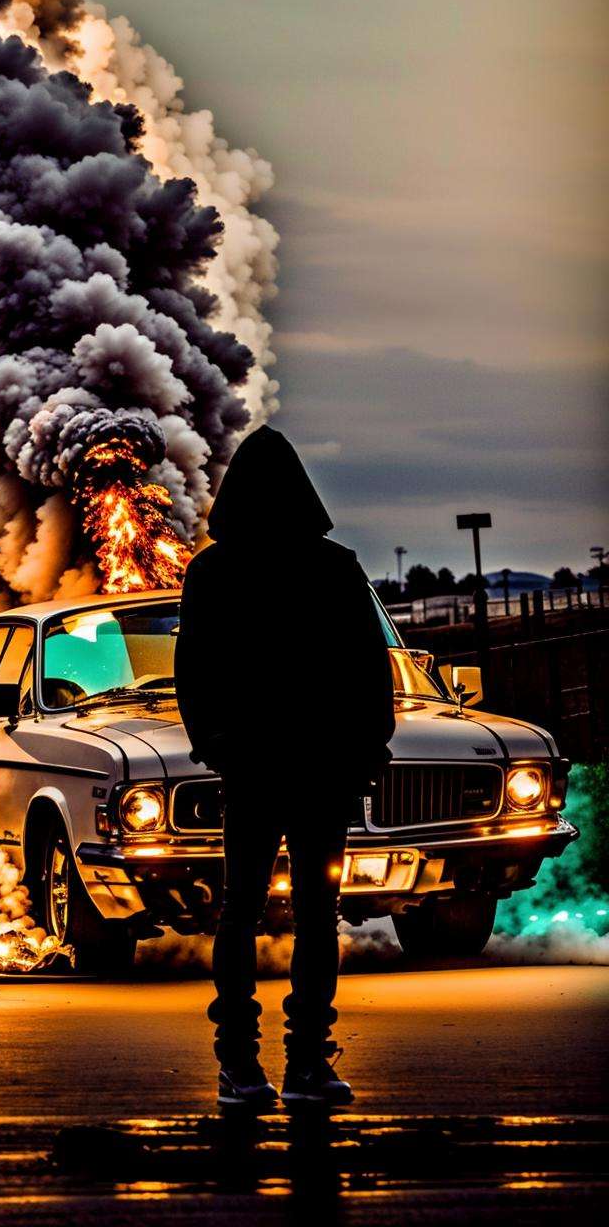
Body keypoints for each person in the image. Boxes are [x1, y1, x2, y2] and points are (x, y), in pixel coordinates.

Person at [174, 426, 394, 1111]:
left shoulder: (212, 572)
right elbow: (370, 671)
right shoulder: (335, 567)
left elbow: (193, 673)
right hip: (320, 769)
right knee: (316, 913)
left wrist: (215, 743)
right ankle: (306, 1062)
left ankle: (240, 1063)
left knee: (241, 912)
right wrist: (368, 749)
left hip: (256, 771)